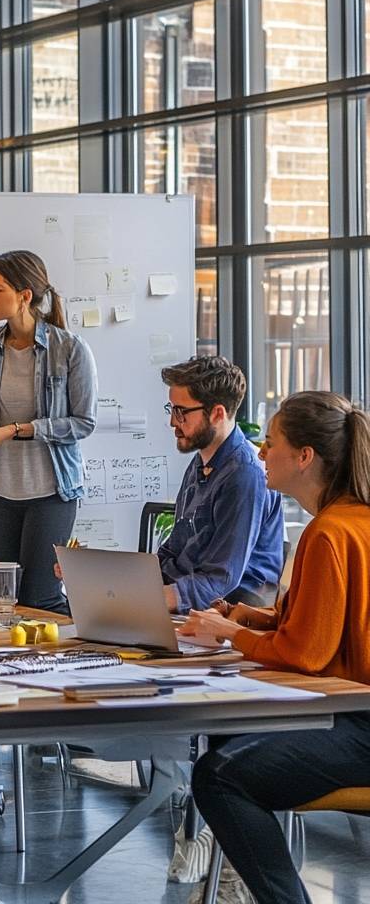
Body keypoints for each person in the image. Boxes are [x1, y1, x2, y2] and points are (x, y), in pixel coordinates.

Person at [182, 391, 370, 904]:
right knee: (230, 735)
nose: (261, 452)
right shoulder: (353, 521)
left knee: (219, 777)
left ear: (304, 456)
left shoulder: (328, 533)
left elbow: (307, 653)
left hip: (360, 727)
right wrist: (253, 617)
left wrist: (231, 635)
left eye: (271, 443)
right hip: (355, 713)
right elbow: (333, 622)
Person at [0, 250, 97, 611]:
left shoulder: (69, 350)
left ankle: (85, 640)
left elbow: (83, 422)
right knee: (8, 601)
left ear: (24, 296)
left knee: (41, 599)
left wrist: (16, 430)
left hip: (51, 493)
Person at [158, 356, 283, 612]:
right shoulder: (201, 462)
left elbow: (220, 579)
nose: (173, 422)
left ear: (217, 413)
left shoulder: (244, 475)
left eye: (181, 412)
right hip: (191, 602)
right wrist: (125, 582)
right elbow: (175, 550)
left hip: (230, 610)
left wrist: (149, 598)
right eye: (171, 409)